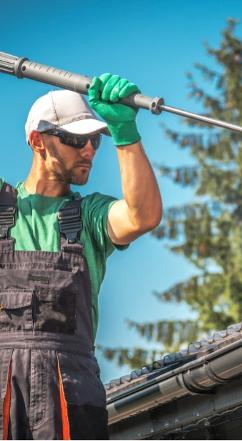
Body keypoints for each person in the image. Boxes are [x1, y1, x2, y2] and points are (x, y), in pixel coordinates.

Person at [0, 73, 162, 439]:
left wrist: (125, 134)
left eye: (94, 140)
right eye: (75, 139)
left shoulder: (89, 215)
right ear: (36, 141)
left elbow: (143, 215)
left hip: (70, 391)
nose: (88, 149)